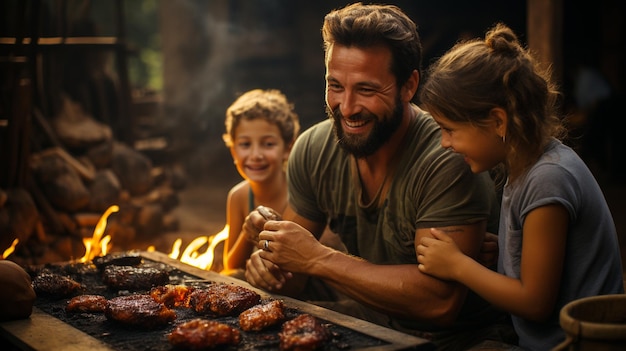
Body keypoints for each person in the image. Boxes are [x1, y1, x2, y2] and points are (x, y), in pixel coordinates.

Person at [241, 3, 517, 350]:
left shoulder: (447, 157)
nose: (347, 107)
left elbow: (438, 302)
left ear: (408, 85)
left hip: (455, 336)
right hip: (367, 312)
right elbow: (293, 273)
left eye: (367, 90)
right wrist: (271, 263)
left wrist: (317, 258)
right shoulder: (313, 149)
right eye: (335, 85)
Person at [415, 23, 624, 350]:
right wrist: (507, 249)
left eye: (450, 129)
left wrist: (458, 265)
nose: (444, 143)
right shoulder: (525, 166)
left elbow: (535, 303)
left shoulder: (548, 179)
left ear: (498, 122)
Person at [221, 89, 300, 274]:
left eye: (268, 144)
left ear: (288, 148)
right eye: (245, 144)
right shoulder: (238, 197)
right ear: (233, 151)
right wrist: (248, 232)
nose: (256, 155)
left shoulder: (299, 194)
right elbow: (231, 265)